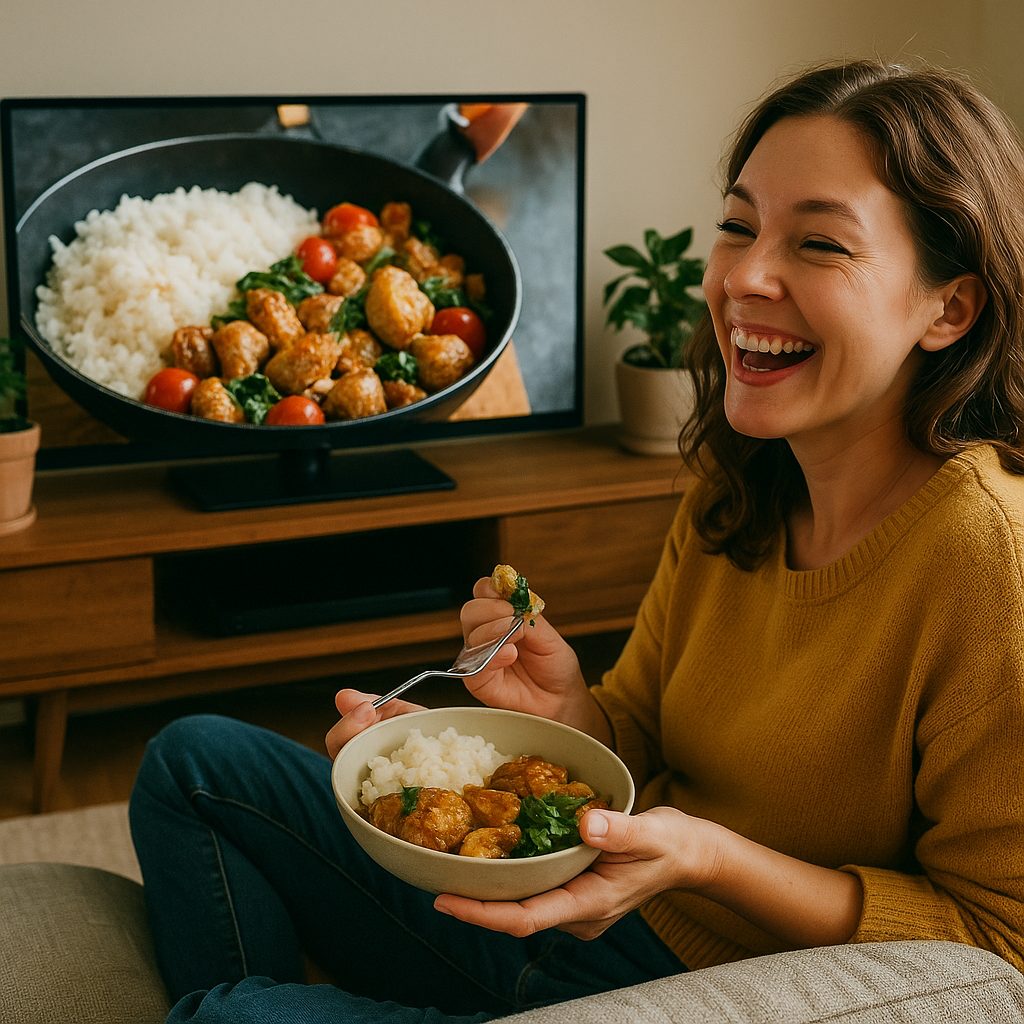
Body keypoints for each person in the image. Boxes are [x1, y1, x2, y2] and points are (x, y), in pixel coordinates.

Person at [129, 58, 1024, 1022]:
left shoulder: (987, 556)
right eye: (737, 226)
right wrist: (568, 713)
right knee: (191, 761)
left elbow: (996, 944)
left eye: (819, 243)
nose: (744, 277)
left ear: (950, 308)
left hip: (711, 995)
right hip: (584, 918)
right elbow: (634, 738)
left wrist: (713, 862)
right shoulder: (749, 478)